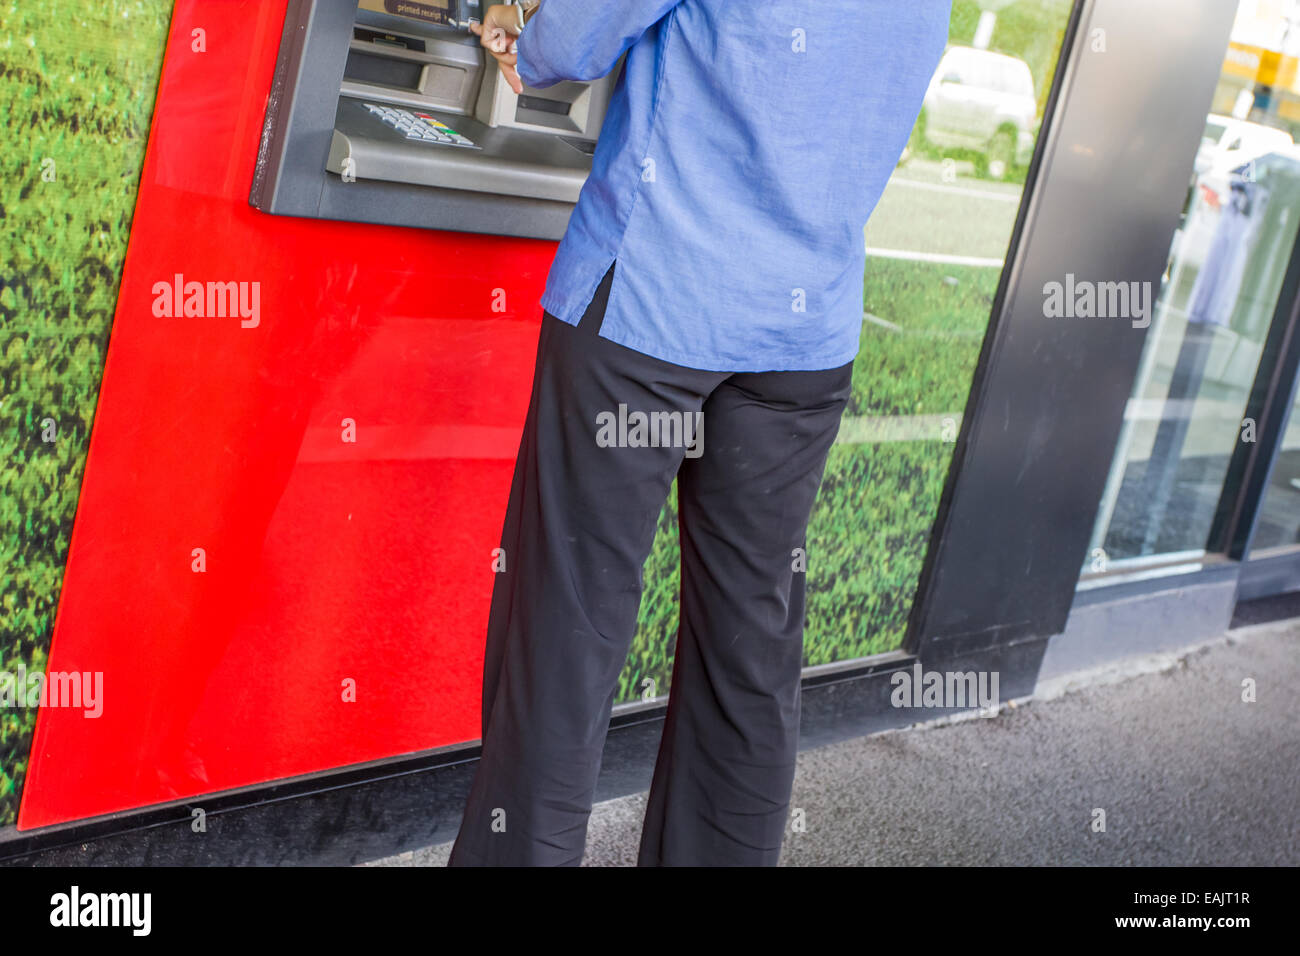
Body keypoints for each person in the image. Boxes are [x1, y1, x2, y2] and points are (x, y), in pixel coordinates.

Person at [448, 0, 952, 866]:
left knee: (569, 626)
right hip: (801, 340)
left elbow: (568, 43)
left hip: (652, 302)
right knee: (747, 650)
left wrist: (514, 30)